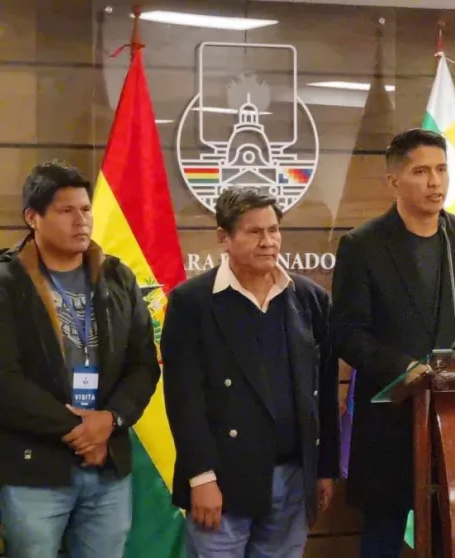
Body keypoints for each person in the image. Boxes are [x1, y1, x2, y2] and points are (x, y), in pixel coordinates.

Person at [332, 128, 455, 558]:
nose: (435, 182)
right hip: (391, 421)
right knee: (383, 538)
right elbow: (347, 333)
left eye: (442, 170)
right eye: (421, 172)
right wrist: (403, 368)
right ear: (393, 180)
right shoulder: (362, 245)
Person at [161, 188, 339, 557]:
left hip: (293, 480)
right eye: (254, 232)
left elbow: (323, 389)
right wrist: (201, 477)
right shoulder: (191, 302)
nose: (268, 241)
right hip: (222, 481)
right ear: (223, 237)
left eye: (273, 230)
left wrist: (325, 469)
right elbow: (183, 400)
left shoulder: (310, 298)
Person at [0, 160, 160, 558]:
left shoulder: (117, 277)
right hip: (34, 469)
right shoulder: (6, 282)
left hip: (107, 467)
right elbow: (4, 380)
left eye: (85, 209)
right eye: (66, 210)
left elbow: (143, 364)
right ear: (33, 217)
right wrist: (80, 430)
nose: (81, 220)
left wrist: (110, 419)